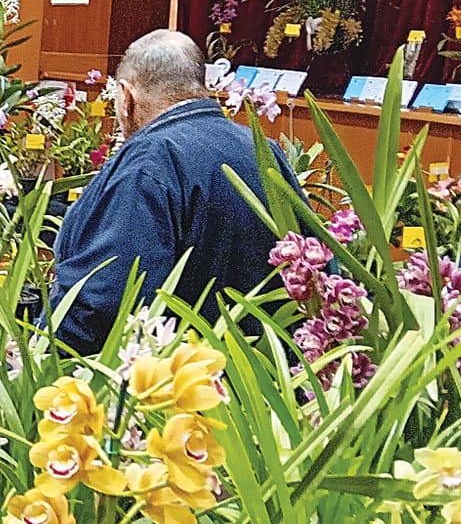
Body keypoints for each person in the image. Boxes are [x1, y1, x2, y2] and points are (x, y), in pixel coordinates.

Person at [50, 29, 285, 353]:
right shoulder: (264, 150)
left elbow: (105, 300)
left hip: (170, 388)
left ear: (126, 95)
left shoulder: (149, 162)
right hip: (263, 384)